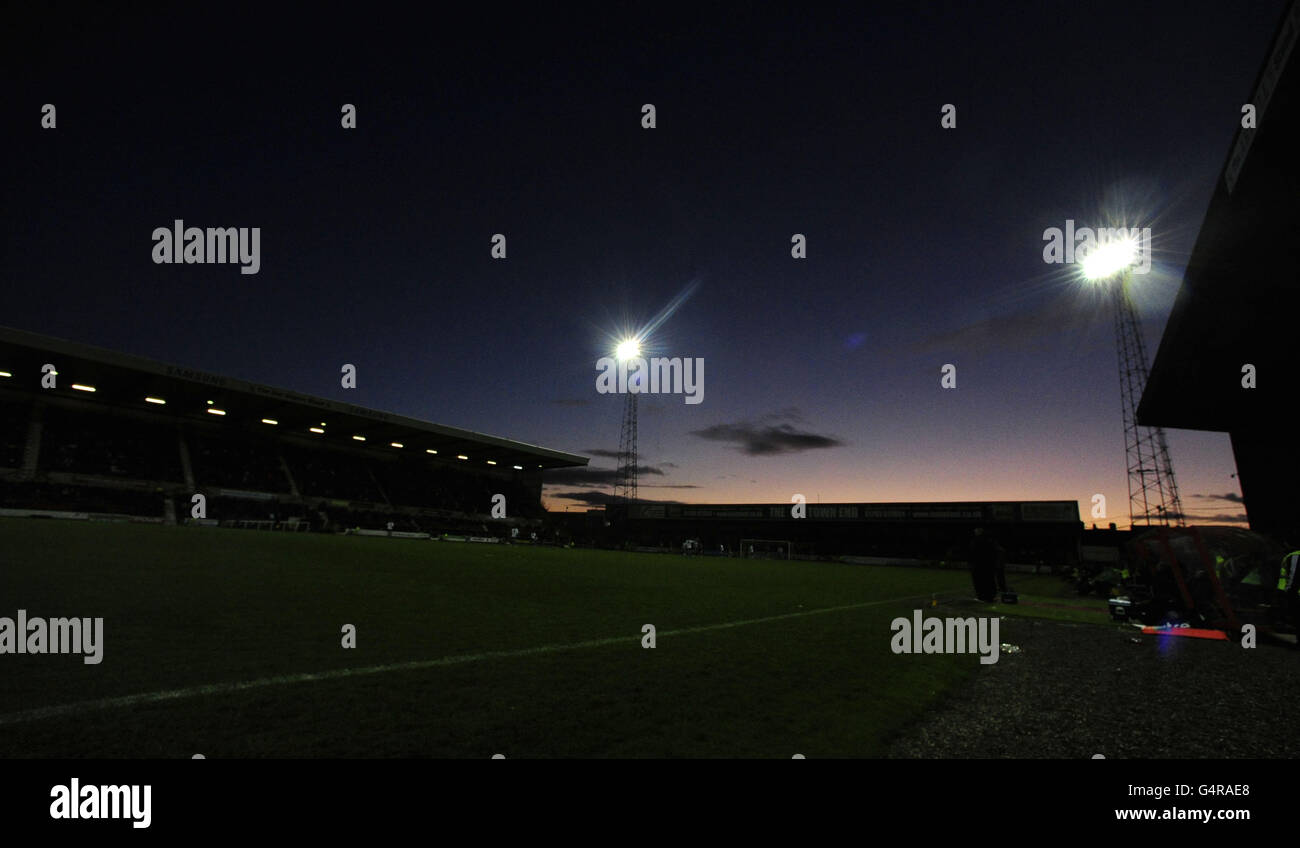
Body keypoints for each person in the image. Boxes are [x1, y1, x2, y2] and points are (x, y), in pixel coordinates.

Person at [968, 528, 998, 602]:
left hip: (979, 565)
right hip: (988, 564)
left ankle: (982, 597)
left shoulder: (976, 541)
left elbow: (972, 553)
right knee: (989, 580)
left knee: (980, 581)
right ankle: (991, 596)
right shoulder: (989, 540)